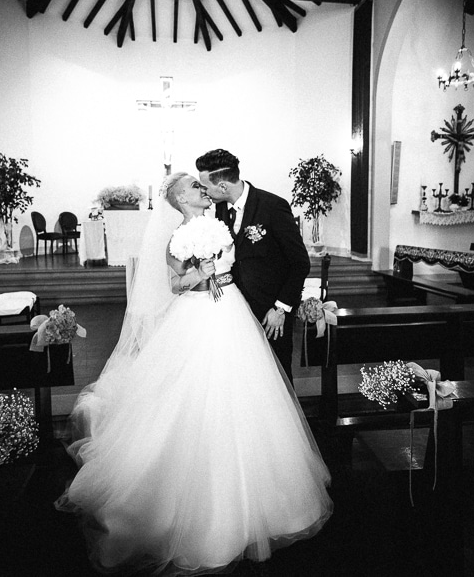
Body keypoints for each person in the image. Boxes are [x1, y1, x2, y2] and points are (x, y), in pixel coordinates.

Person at [57, 172, 332, 576]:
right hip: (197, 315)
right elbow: (174, 285)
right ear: (179, 199)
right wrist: (199, 273)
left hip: (232, 312)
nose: (202, 191)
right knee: (192, 397)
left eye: (202, 187)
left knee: (246, 394)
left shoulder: (220, 224)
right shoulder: (175, 239)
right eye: (194, 188)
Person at [195, 149, 310, 382]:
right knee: (245, 377)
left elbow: (300, 263)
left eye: (205, 187)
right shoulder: (218, 210)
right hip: (237, 310)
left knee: (277, 378)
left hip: (271, 311)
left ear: (224, 186)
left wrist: (281, 309)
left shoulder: (272, 206)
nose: (203, 192)